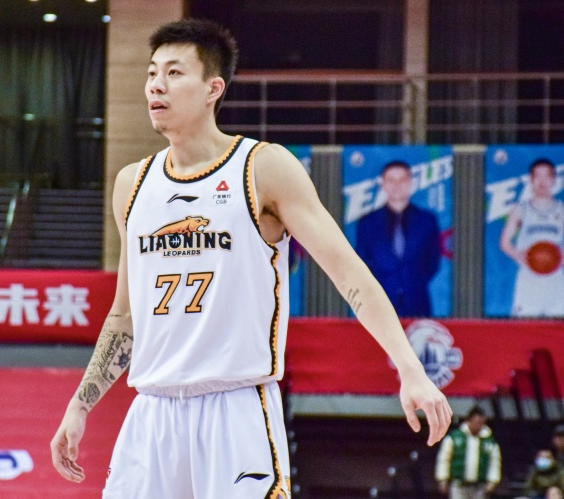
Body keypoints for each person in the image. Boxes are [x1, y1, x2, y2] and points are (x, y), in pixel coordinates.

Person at [50, 18, 452, 498]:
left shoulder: (262, 167)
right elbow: (125, 315)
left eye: (174, 73)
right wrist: (80, 404)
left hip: (236, 409)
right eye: (152, 72)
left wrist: (410, 368)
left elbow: (350, 274)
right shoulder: (131, 184)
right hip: (152, 412)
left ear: (213, 89)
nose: (156, 84)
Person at [355, 160, 441, 317]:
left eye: (402, 180)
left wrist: (412, 282)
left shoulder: (427, 221)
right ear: (383, 184)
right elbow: (362, 261)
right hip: (379, 302)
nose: (397, 185)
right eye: (391, 180)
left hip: (417, 302)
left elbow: (432, 262)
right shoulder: (367, 223)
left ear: (410, 183)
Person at [500, 158, 564, 318]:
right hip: (529, 280)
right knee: (524, 327)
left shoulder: (561, 210)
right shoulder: (521, 209)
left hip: (556, 279)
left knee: (557, 328)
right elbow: (504, 242)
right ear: (531, 180)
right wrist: (519, 255)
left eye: (547, 176)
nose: (542, 181)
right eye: (537, 176)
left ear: (553, 180)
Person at [435, 406, 502, 499]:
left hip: (479, 487)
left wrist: (492, 481)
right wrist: (442, 479)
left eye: (481, 423)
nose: (479, 426)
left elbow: (494, 462)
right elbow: (444, 459)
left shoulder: (489, 442)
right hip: (458, 486)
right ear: (469, 421)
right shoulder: (454, 438)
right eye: (477, 422)